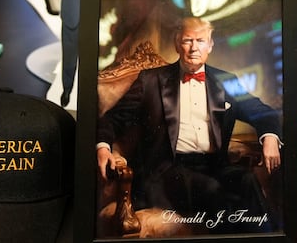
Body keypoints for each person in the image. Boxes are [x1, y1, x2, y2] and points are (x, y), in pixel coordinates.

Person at [96, 17, 282, 233]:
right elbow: (112, 118)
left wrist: (269, 136)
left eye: (201, 41)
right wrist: (102, 147)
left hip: (214, 165)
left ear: (210, 45)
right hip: (167, 170)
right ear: (177, 44)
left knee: (247, 180)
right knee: (214, 191)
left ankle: (271, 237)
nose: (194, 48)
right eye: (188, 40)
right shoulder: (150, 80)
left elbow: (261, 111)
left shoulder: (225, 80)